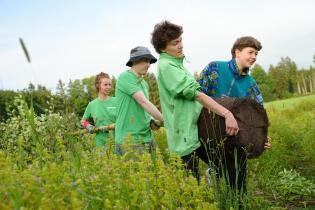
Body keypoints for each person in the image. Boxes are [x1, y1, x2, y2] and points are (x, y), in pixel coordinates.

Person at [151, 20, 239, 181]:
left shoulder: (176, 63)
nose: (180, 45)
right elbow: (196, 94)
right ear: (163, 47)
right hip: (183, 134)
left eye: (180, 40)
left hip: (194, 128)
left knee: (223, 166)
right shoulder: (167, 66)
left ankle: (212, 182)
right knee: (191, 184)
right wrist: (227, 113)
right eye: (175, 43)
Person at [198, 36, 271, 204]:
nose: (254, 57)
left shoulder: (251, 84)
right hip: (208, 133)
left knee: (238, 186)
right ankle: (215, 175)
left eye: (256, 54)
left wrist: (263, 138)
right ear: (237, 52)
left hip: (235, 138)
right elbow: (197, 95)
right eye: (250, 52)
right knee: (217, 176)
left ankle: (238, 202)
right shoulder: (215, 68)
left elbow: (259, 116)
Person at [115, 46, 163, 155]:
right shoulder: (125, 77)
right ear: (135, 61)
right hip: (129, 140)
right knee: (135, 172)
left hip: (147, 137)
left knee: (155, 171)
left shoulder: (143, 83)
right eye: (145, 60)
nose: (149, 64)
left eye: (149, 61)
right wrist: (164, 119)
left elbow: (144, 109)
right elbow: (144, 102)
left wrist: (151, 120)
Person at [81, 72, 116, 147]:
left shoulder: (116, 101)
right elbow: (83, 121)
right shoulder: (92, 105)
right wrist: (88, 126)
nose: (108, 87)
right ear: (98, 86)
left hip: (117, 142)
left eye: (110, 85)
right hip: (101, 145)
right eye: (105, 85)